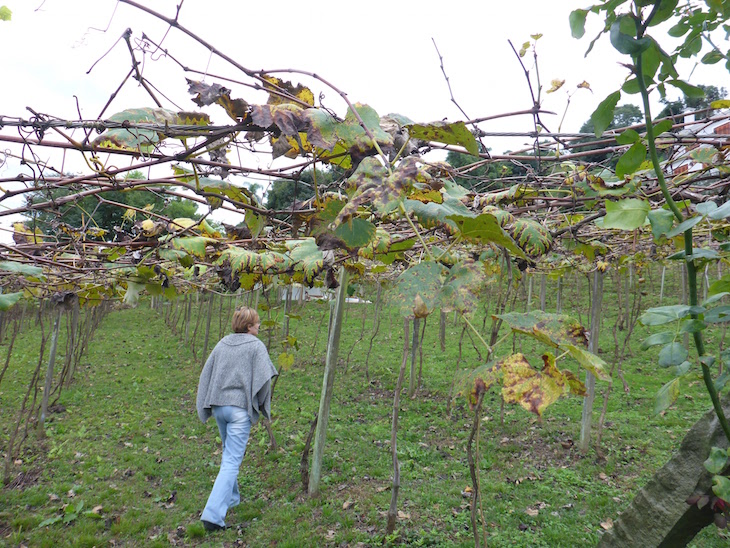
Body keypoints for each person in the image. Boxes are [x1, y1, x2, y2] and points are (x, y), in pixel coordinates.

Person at [196, 306, 278, 532]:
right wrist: (261, 405)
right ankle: (213, 516)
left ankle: (231, 498)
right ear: (249, 326)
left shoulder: (222, 343)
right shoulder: (256, 346)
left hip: (219, 407)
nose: (259, 326)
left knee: (227, 454)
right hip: (239, 410)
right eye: (257, 323)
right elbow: (264, 379)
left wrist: (206, 401)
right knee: (232, 461)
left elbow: (206, 373)